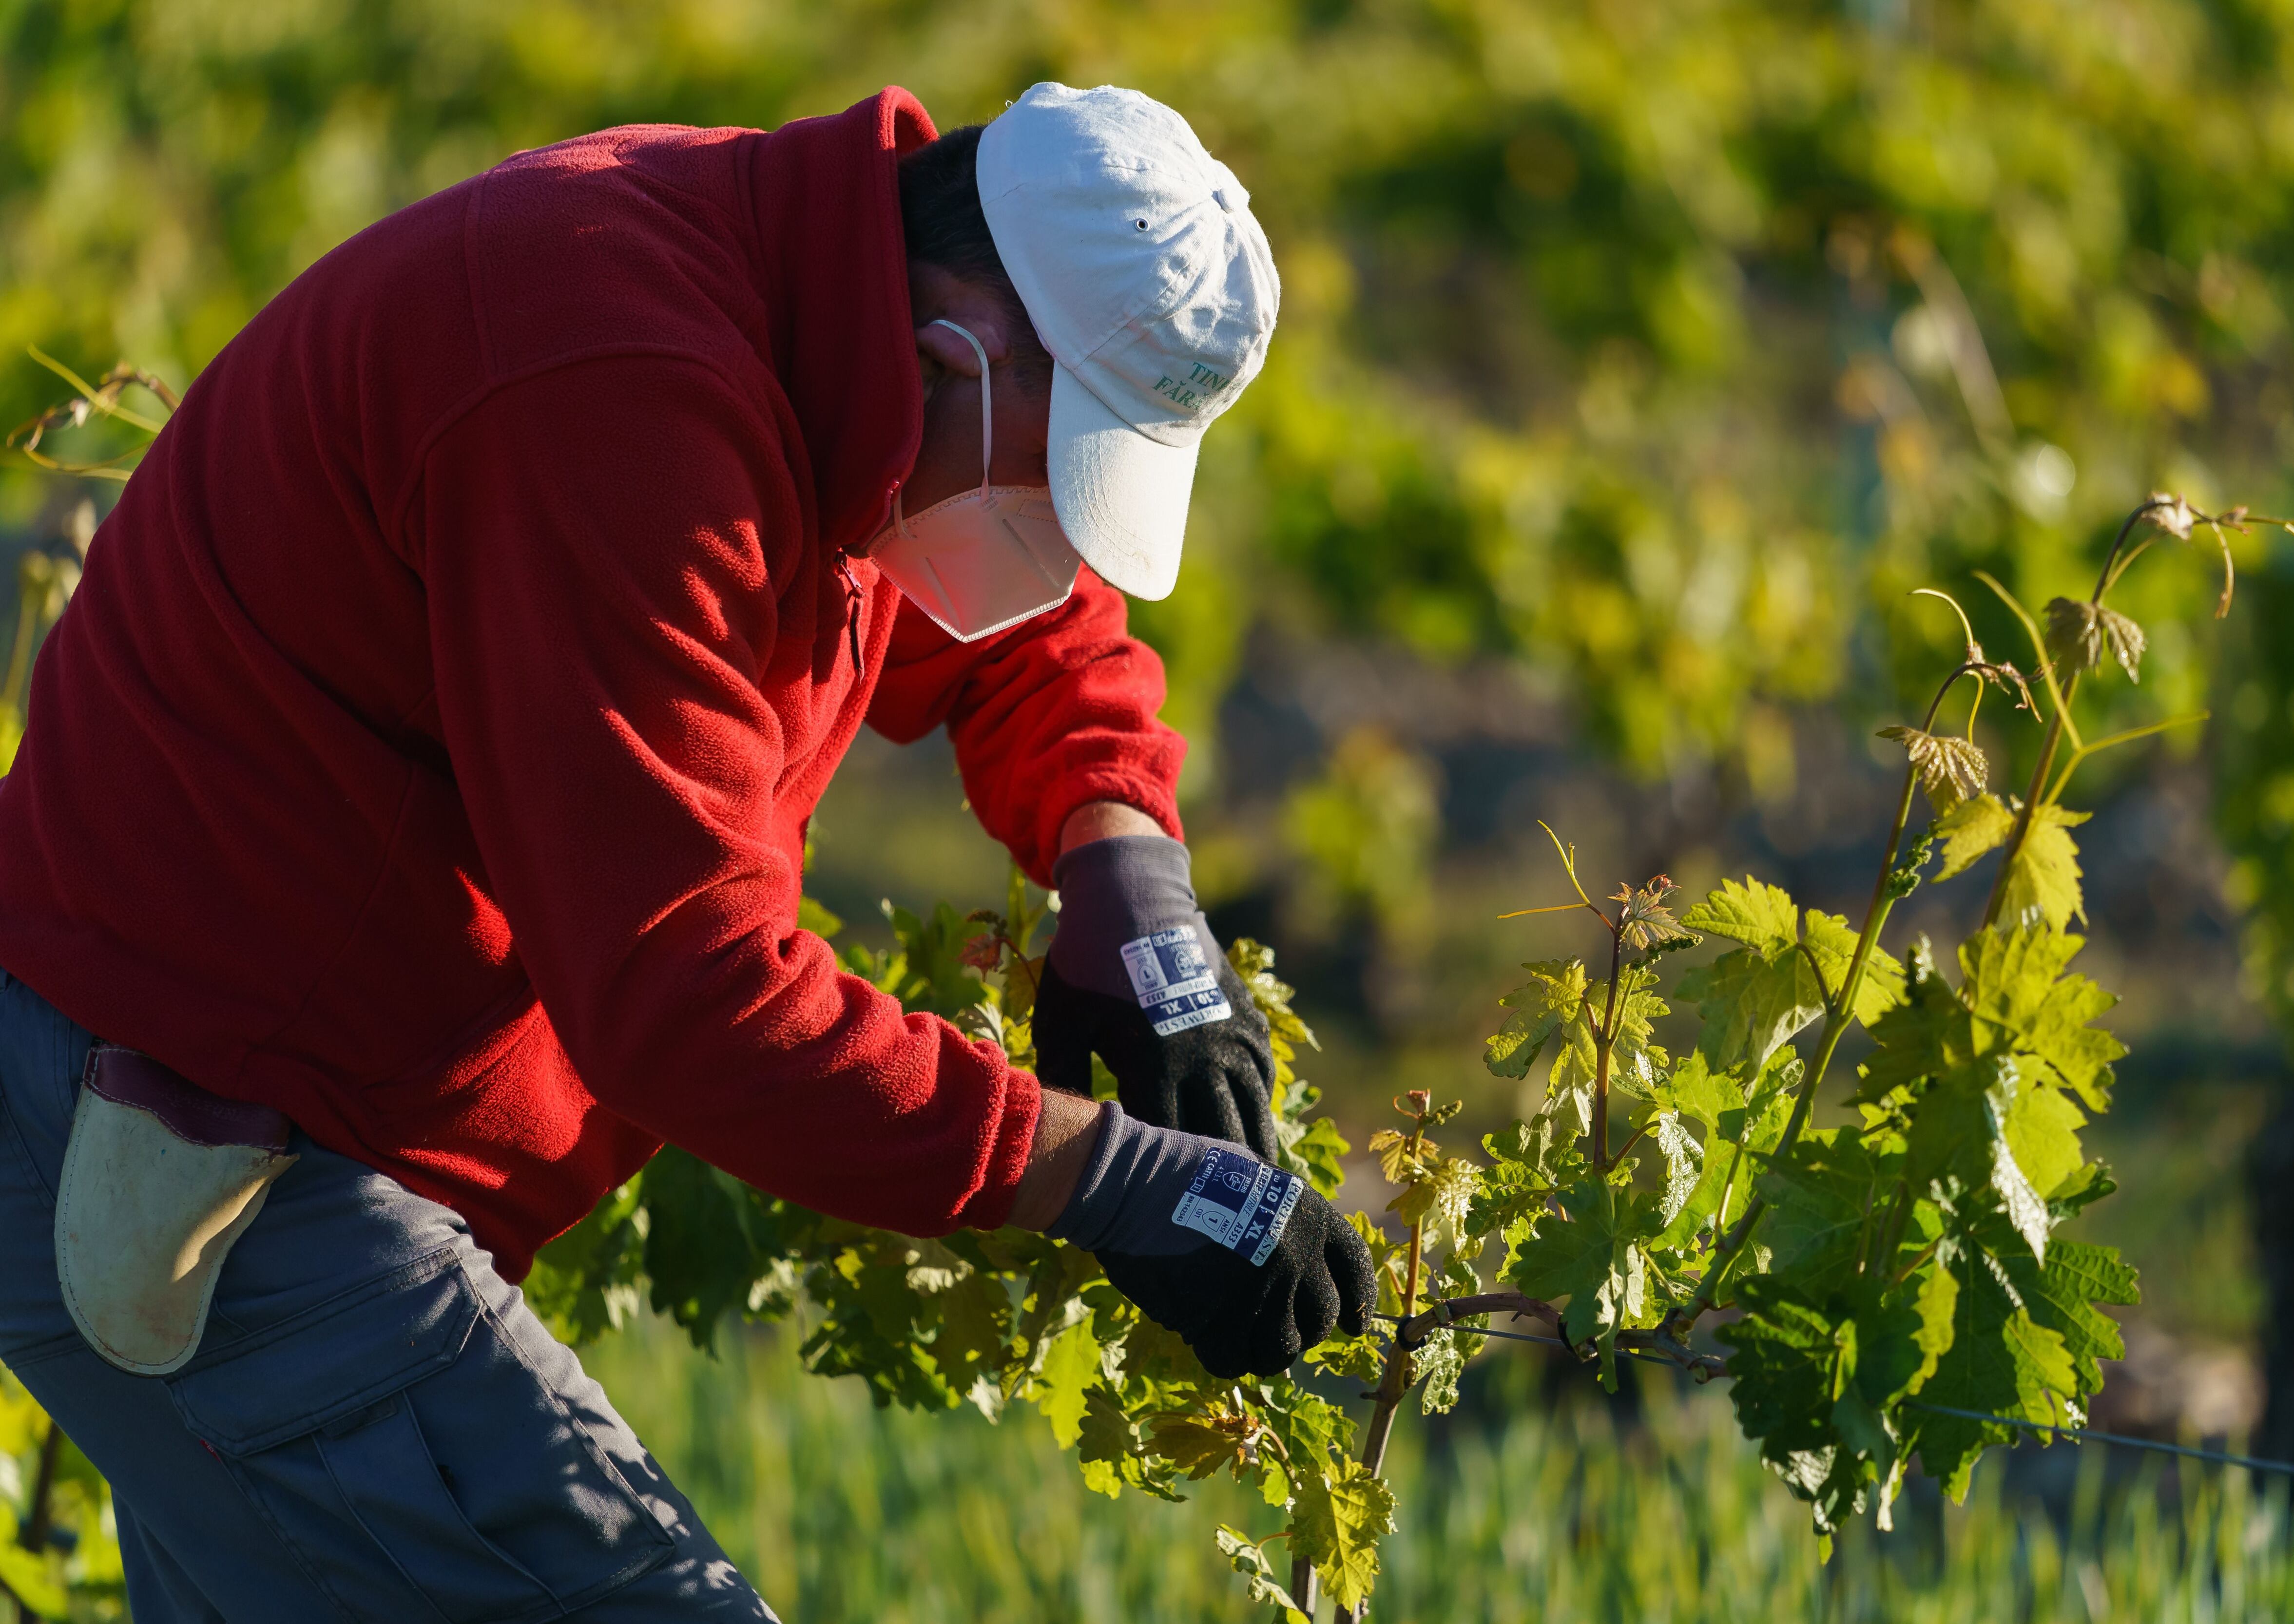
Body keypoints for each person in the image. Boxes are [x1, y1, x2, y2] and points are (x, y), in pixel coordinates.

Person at [0, 81, 1375, 1620]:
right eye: (1050, 483)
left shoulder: (825, 316)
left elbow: (1022, 620)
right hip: (220, 1153)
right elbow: (687, 993)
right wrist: (1110, 1178)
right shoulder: (608, 389)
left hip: (325, 1123)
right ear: (950, 355)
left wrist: (1129, 870)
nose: (1052, 547)